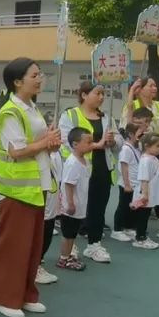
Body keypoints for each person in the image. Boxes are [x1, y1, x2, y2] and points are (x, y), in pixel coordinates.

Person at [0, 57, 60, 317]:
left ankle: (27, 294)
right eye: (34, 75)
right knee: (12, 247)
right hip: (15, 189)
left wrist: (51, 143)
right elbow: (15, 151)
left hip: (35, 184)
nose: (40, 79)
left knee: (31, 246)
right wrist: (45, 142)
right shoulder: (10, 111)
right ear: (17, 82)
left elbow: (36, 143)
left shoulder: (31, 107)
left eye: (40, 74)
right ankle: (4, 298)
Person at [57, 82, 116, 264]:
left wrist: (113, 141)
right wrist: (94, 146)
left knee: (98, 209)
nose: (101, 97)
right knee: (74, 210)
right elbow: (66, 142)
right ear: (84, 95)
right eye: (97, 93)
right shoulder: (70, 115)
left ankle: (94, 244)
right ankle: (70, 246)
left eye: (103, 93)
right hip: (78, 170)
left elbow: (118, 142)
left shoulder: (106, 117)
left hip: (102, 169)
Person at [57, 128, 93, 271]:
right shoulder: (73, 163)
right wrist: (70, 203)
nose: (91, 144)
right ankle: (64, 259)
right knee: (68, 234)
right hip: (71, 206)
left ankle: (69, 255)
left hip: (80, 204)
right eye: (88, 142)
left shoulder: (85, 161)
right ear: (75, 144)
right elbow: (69, 184)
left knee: (72, 233)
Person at [111, 123, 144, 243]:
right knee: (123, 207)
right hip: (127, 184)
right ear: (130, 134)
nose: (142, 136)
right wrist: (127, 184)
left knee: (133, 207)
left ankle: (128, 227)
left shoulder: (136, 147)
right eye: (140, 133)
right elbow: (124, 166)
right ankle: (117, 230)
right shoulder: (126, 149)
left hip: (135, 184)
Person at [131, 133, 159, 249]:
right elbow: (144, 178)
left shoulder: (153, 158)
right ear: (147, 146)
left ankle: (142, 235)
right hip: (145, 193)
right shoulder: (146, 161)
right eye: (157, 146)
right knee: (143, 217)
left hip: (151, 192)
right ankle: (140, 238)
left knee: (145, 215)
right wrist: (145, 195)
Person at [123, 77, 159, 143]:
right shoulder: (131, 105)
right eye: (151, 86)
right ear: (140, 89)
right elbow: (126, 126)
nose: (155, 88)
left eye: (155, 86)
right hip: (141, 146)